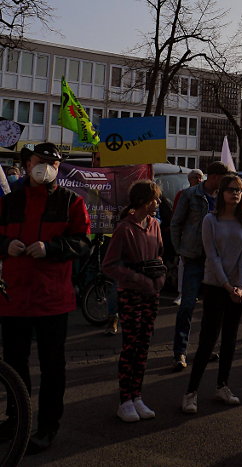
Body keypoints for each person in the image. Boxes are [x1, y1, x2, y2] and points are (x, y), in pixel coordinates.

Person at [0, 142, 91, 454]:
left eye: (54, 162)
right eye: (41, 161)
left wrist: (51, 248)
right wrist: (6, 243)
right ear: (27, 164)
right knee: (14, 365)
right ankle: (16, 420)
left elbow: (82, 242)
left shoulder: (71, 201)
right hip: (14, 298)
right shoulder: (10, 201)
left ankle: (48, 426)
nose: (47, 167)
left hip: (52, 299)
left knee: (53, 367)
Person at [181, 173, 242, 414]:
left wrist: (241, 286)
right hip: (216, 286)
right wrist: (226, 285)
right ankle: (191, 392)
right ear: (221, 192)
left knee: (230, 338)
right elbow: (211, 256)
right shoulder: (210, 221)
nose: (236, 193)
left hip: (239, 286)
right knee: (208, 340)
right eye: (231, 189)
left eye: (239, 190)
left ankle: (223, 385)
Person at [102, 180, 166, 423]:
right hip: (130, 294)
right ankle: (125, 399)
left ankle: (137, 395)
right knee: (130, 346)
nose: (158, 203)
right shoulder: (124, 229)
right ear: (143, 201)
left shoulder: (155, 226)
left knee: (144, 344)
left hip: (152, 292)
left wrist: (160, 276)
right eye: (154, 199)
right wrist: (137, 278)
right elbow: (109, 265)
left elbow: (160, 254)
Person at [170, 160, 229, 370]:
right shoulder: (191, 195)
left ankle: (205, 348)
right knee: (187, 305)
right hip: (194, 257)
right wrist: (180, 251)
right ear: (213, 177)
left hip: (215, 259)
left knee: (212, 308)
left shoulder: (223, 196)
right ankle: (180, 352)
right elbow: (176, 223)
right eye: (222, 180)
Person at [173, 169, 205, 306]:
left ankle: (196, 292)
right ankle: (182, 293)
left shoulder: (205, 195)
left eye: (200, 177)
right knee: (184, 266)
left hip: (202, 238)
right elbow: (176, 217)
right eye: (195, 177)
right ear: (189, 180)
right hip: (187, 238)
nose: (198, 180)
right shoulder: (183, 195)